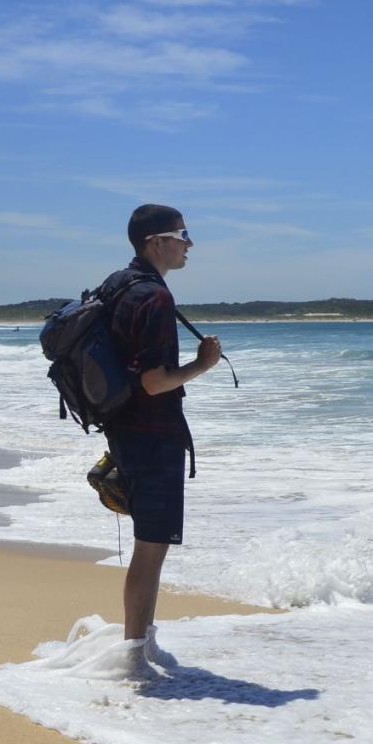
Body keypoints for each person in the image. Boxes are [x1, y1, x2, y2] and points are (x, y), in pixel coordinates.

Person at [101, 203, 222, 672]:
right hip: (151, 435)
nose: (189, 244)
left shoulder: (120, 284)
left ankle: (141, 646)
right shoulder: (152, 297)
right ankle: (134, 656)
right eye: (183, 234)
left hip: (127, 429)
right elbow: (154, 382)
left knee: (148, 546)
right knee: (151, 549)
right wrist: (202, 366)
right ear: (157, 242)